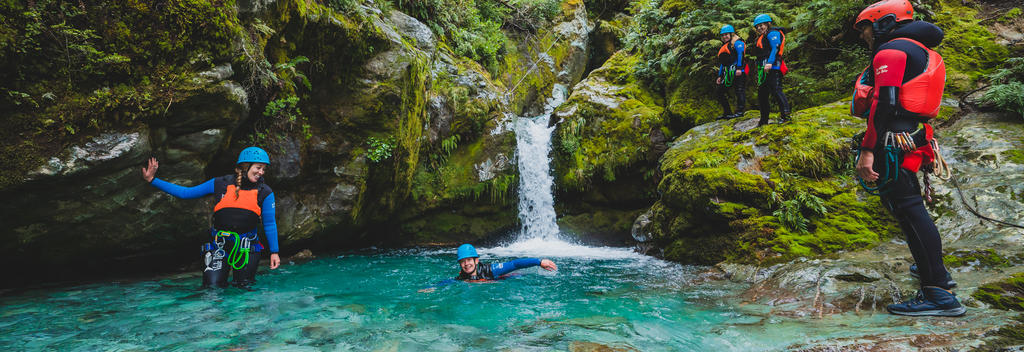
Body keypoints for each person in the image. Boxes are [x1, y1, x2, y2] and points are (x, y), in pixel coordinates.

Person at [851, 0, 964, 317]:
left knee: (910, 211)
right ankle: (934, 272)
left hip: (891, 142)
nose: (864, 36)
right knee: (910, 209)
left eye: (866, 28)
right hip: (909, 137)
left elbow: (883, 105)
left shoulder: (891, 52)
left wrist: (867, 150)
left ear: (884, 23)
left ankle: (938, 292)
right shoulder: (918, 50)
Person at [141, 147, 282, 288]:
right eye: (258, 168)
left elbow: (269, 224)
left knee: (244, 289)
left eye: (263, 169)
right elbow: (185, 193)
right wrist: (152, 180)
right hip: (219, 246)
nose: (261, 172)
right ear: (245, 166)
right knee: (212, 288)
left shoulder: (265, 192)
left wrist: (274, 252)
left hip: (247, 248)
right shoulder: (220, 183)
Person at [418, 244, 558, 292]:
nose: (466, 264)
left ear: (476, 260)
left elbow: (514, 264)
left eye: (469, 260)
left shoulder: (491, 269)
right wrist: (434, 287)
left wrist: (539, 262)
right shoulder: (462, 276)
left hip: (509, 279)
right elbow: (450, 281)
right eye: (463, 262)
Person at [750, 14, 791, 127]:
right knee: (762, 94)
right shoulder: (763, 36)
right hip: (764, 68)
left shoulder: (773, 33)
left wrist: (769, 63)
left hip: (773, 66)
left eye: (761, 25)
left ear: (768, 24)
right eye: (757, 26)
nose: (759, 28)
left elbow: (775, 48)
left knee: (776, 90)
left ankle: (786, 115)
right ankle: (763, 120)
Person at [714, 24, 748, 120]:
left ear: (731, 34)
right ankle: (727, 112)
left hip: (738, 70)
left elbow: (741, 55)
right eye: (723, 35)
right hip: (728, 72)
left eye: (726, 35)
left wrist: (738, 68)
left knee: (739, 90)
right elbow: (723, 63)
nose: (724, 37)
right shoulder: (725, 46)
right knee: (719, 91)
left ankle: (740, 111)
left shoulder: (737, 43)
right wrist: (720, 76)